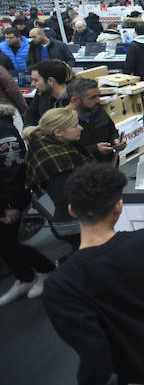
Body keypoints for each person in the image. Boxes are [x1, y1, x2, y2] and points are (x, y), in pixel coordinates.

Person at [41, 162, 144, 385]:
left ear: (71, 210)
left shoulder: (60, 284)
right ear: (118, 206)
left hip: (137, 376)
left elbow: (95, 354)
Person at [0, 103, 55, 306]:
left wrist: (11, 203)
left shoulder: (3, 129)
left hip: (8, 200)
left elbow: (13, 170)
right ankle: (24, 276)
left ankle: (43, 269)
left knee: (6, 243)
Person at [24, 108, 90, 248]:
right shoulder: (52, 161)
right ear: (58, 132)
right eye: (75, 126)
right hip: (75, 223)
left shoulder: (48, 145)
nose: (81, 128)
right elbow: (65, 200)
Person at [66, 78, 121, 163]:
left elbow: (112, 131)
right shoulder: (63, 122)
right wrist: (94, 149)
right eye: (92, 98)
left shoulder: (98, 110)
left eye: (98, 95)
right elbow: (66, 154)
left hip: (108, 168)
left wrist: (116, 141)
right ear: (75, 100)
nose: (98, 100)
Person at [24, 59, 73, 127]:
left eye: (36, 80)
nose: (32, 84)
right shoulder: (41, 93)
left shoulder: (74, 99)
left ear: (50, 81)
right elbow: (30, 117)